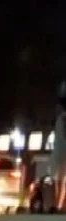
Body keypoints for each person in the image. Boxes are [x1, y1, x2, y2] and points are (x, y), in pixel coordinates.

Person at [51, 81, 66, 212]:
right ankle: (57, 204)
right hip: (59, 149)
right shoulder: (60, 118)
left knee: (60, 178)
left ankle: (58, 205)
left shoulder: (62, 118)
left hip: (61, 149)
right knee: (58, 178)